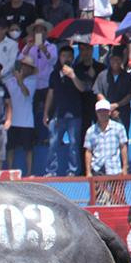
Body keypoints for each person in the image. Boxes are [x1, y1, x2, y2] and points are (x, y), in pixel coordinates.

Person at [43, 45, 87, 176]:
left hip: (74, 115)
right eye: (63, 56)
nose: (66, 58)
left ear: (73, 57)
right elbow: (50, 94)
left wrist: (72, 75)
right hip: (58, 114)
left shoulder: (78, 71)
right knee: (53, 143)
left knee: (74, 143)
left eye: (69, 56)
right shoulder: (54, 74)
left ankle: (72, 171)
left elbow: (82, 88)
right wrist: (46, 112)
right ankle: (51, 171)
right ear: (59, 58)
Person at [5, 56, 38, 175]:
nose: (25, 69)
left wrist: (19, 81)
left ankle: (29, 173)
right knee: (10, 148)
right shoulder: (9, 81)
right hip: (12, 121)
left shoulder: (32, 81)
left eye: (28, 67)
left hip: (27, 122)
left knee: (28, 149)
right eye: (23, 66)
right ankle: (9, 172)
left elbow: (26, 93)